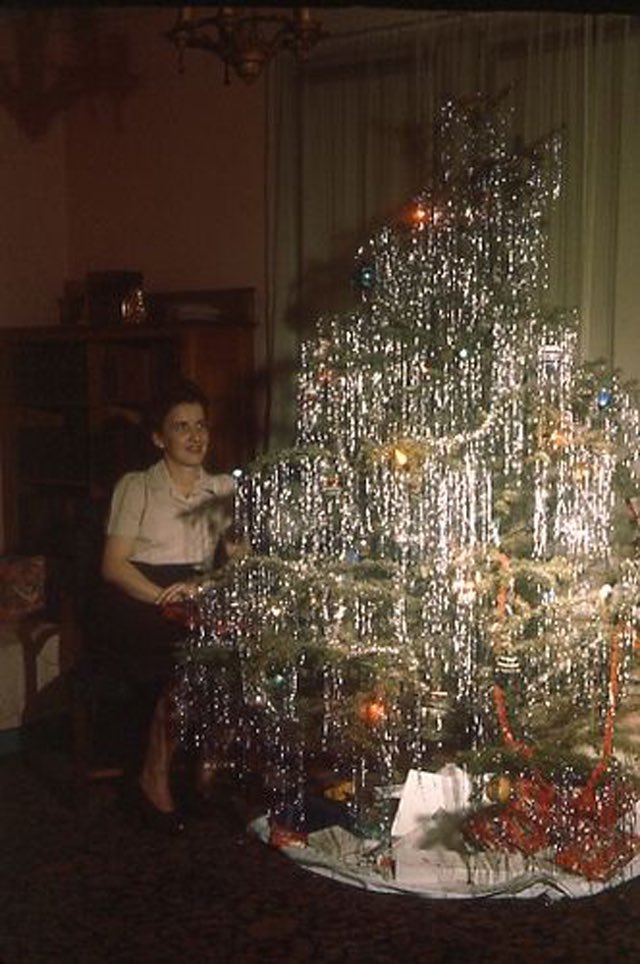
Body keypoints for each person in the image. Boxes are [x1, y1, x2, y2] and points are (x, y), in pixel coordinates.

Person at [101, 377, 238, 834]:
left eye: (200, 425)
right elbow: (114, 566)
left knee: (234, 660)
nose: (195, 436)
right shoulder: (136, 486)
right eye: (181, 427)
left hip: (196, 596)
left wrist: (205, 587)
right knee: (181, 672)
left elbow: (239, 562)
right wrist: (164, 595)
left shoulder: (220, 488)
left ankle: (206, 776)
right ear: (159, 437)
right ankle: (153, 779)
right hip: (139, 597)